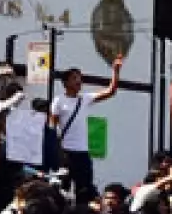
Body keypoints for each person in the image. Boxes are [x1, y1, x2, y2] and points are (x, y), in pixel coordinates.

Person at [51, 59, 122, 197]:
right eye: (74, 78)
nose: (78, 81)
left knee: (84, 189)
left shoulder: (85, 99)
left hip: (83, 152)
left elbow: (110, 91)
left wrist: (116, 71)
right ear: (65, 83)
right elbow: (53, 125)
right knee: (62, 188)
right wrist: (57, 149)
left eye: (80, 78)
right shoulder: (59, 101)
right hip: (66, 152)